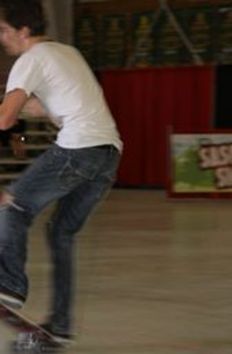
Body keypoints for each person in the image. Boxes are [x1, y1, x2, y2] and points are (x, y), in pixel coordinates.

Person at [0, 0, 122, 344]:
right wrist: (13, 102)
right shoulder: (66, 53)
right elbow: (51, 109)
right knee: (60, 235)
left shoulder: (29, 58)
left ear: (23, 31)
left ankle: (8, 284)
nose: (2, 38)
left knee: (12, 204)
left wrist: (7, 106)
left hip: (78, 149)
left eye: (4, 31)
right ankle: (61, 323)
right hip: (107, 155)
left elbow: (5, 120)